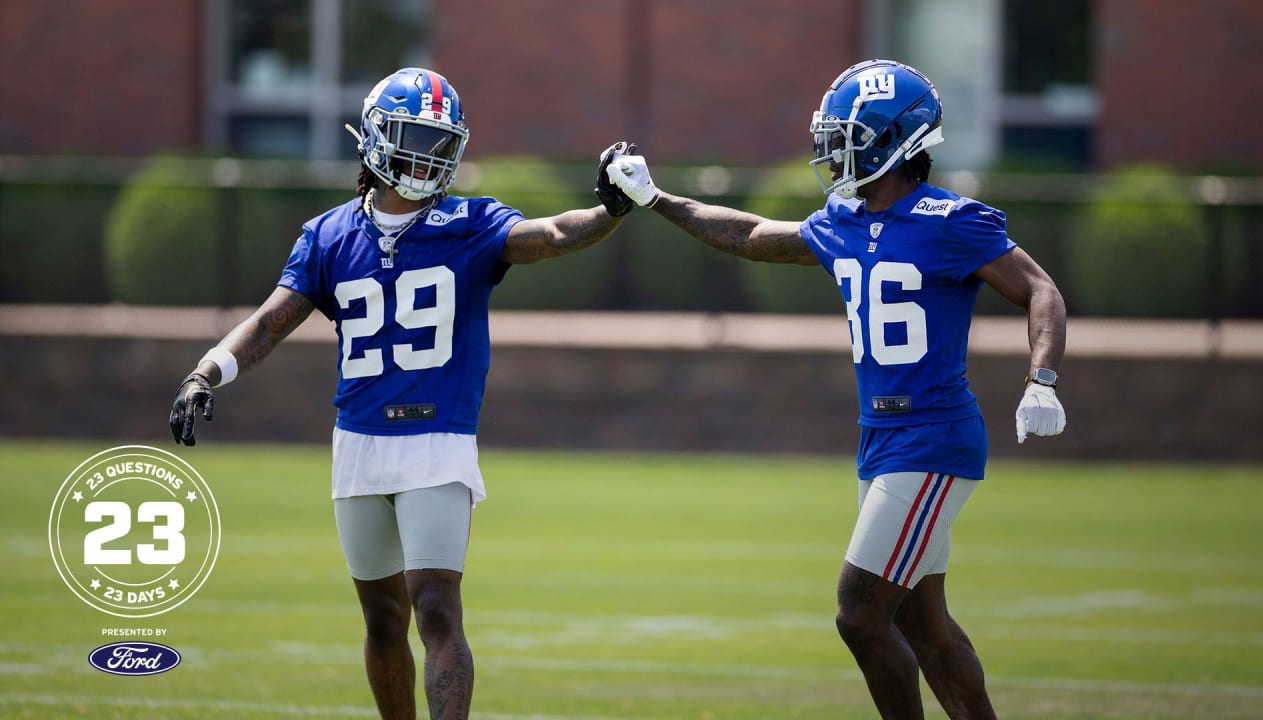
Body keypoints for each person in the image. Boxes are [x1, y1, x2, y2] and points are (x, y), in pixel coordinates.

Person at [168, 67, 638, 720]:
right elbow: (270, 322)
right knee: (383, 619)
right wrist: (206, 371)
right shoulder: (329, 235)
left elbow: (552, 235)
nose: (429, 154)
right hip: (359, 442)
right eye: (416, 136)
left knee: (437, 606)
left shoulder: (470, 224)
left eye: (442, 142)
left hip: (437, 440)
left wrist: (608, 211)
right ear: (378, 138)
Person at [605, 59, 1066, 719]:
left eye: (845, 135)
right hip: (881, 439)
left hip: (932, 437)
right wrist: (658, 199)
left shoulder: (950, 219)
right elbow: (752, 236)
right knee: (923, 626)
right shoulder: (841, 219)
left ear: (892, 139)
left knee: (859, 615)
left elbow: (1040, 288)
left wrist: (1041, 378)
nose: (830, 150)